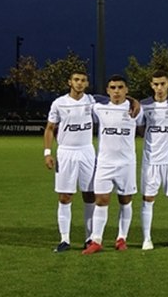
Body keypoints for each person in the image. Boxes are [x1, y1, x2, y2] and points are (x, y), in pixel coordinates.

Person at [83, 76, 141, 254]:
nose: (116, 91)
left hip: (127, 164)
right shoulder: (99, 108)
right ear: (107, 90)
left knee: (125, 200)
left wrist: (133, 101)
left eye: (120, 87)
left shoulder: (136, 110)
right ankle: (96, 240)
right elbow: (87, 97)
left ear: (126, 89)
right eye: (113, 87)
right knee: (101, 200)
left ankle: (121, 238)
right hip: (105, 163)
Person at [44, 69, 99, 252]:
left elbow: (117, 98)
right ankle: (65, 239)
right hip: (66, 153)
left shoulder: (92, 101)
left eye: (83, 80)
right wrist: (47, 152)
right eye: (76, 79)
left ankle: (89, 238)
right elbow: (50, 128)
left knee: (90, 195)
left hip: (87, 152)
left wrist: (133, 100)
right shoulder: (59, 103)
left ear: (87, 83)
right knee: (65, 196)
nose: (79, 83)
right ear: (70, 82)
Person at [138, 70, 168, 250]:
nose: (159, 88)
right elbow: (140, 127)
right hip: (151, 160)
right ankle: (147, 239)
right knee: (148, 198)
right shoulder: (144, 105)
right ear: (151, 85)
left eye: (162, 84)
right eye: (156, 84)